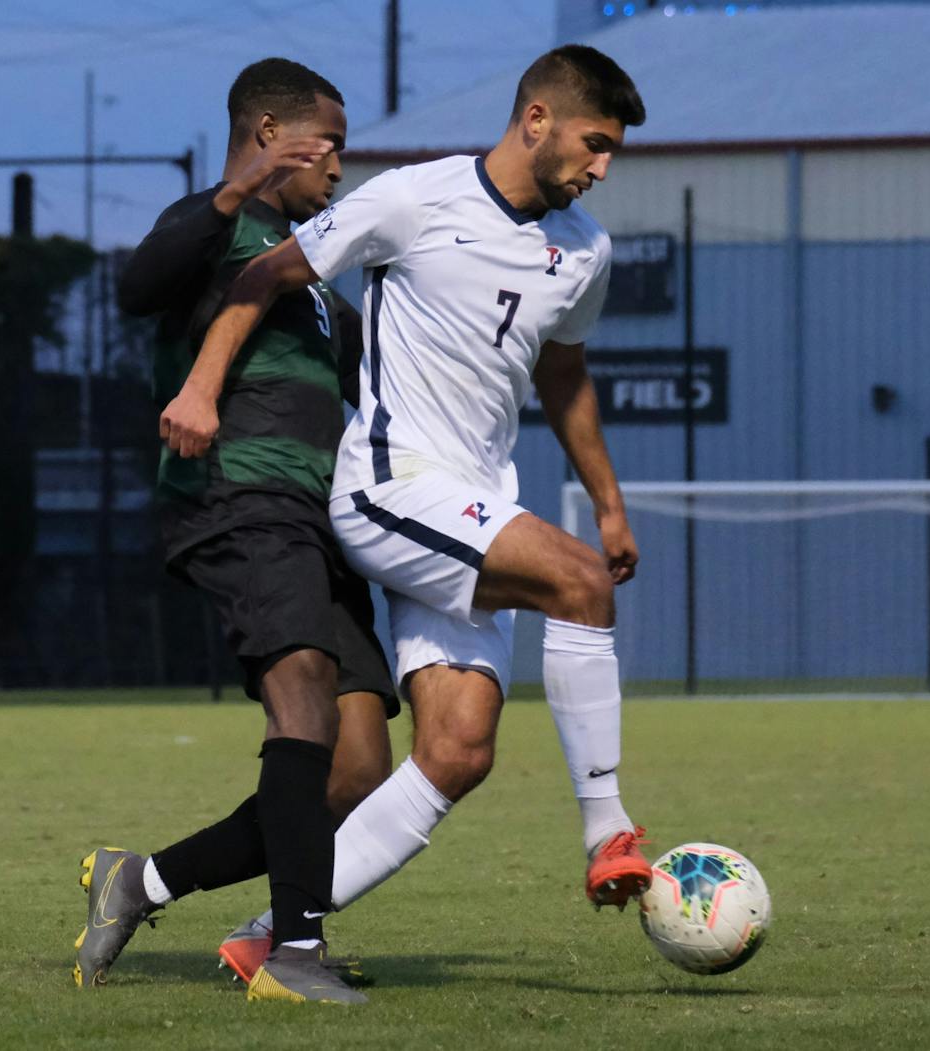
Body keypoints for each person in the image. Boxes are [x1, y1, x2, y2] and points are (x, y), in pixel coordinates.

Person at [168, 45, 652, 936]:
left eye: (613, 150)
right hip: (390, 487)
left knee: (456, 752)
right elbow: (265, 273)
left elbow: (566, 375)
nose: (602, 167)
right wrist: (200, 389)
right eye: (594, 142)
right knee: (579, 582)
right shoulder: (413, 197)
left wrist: (610, 500)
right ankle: (607, 829)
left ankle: (269, 940)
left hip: (472, 504)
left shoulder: (585, 250)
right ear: (536, 119)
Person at [74, 57, 395, 1004]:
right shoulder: (216, 232)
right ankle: (293, 952)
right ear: (268, 133)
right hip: (235, 498)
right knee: (298, 687)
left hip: (319, 521)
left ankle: (144, 880)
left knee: (362, 763)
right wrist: (234, 191)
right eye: (326, 145)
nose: (338, 166)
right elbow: (139, 283)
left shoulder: (318, 281)